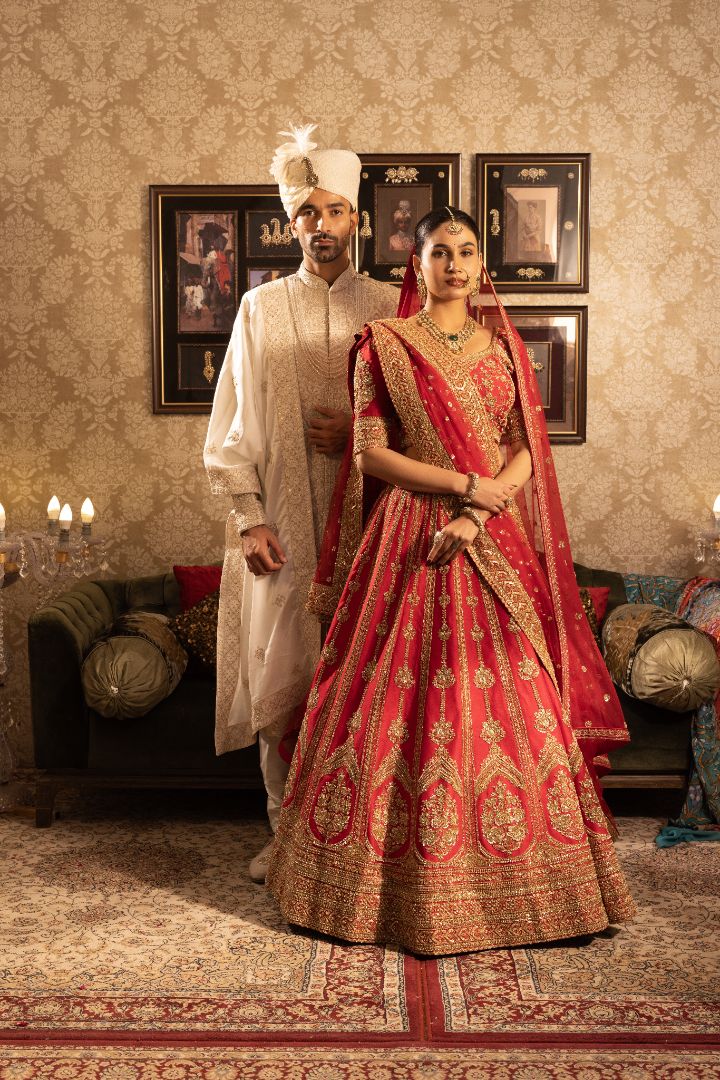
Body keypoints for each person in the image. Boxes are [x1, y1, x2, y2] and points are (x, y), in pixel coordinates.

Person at [266, 206, 636, 955]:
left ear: (481, 265)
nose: (457, 265)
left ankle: (535, 894)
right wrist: (468, 484)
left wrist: (478, 508)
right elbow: (369, 453)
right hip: (409, 536)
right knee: (393, 699)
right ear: (418, 263)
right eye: (441, 252)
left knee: (510, 700)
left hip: (484, 535)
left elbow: (523, 445)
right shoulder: (385, 343)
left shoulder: (505, 351)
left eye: (468, 252)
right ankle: (371, 895)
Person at [204, 124, 397, 883]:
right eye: (307, 214)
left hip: (372, 530)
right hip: (281, 530)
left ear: (357, 219)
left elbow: (419, 417)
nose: (322, 227)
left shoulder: (389, 306)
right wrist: (248, 518)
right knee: (283, 685)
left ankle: (354, 841)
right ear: (293, 225)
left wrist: (360, 431)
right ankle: (285, 838)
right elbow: (231, 423)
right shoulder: (258, 308)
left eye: (335, 212)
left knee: (365, 688)